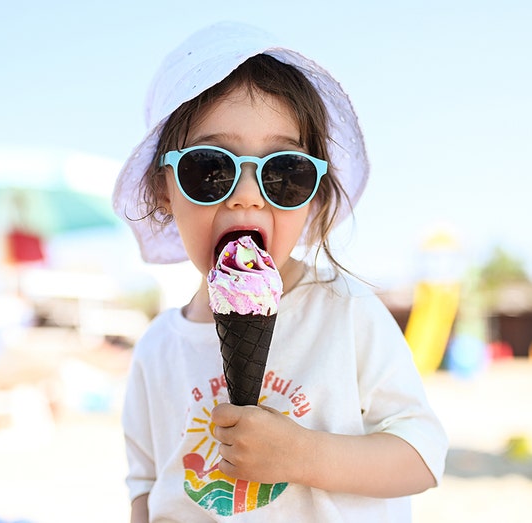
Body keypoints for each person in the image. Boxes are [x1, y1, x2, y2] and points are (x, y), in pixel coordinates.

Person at [112, 21, 448, 522]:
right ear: (164, 189)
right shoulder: (158, 348)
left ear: (312, 197)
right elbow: (146, 489)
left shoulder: (343, 310)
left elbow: (422, 456)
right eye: (211, 169)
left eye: (283, 173)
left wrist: (302, 455)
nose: (247, 194)